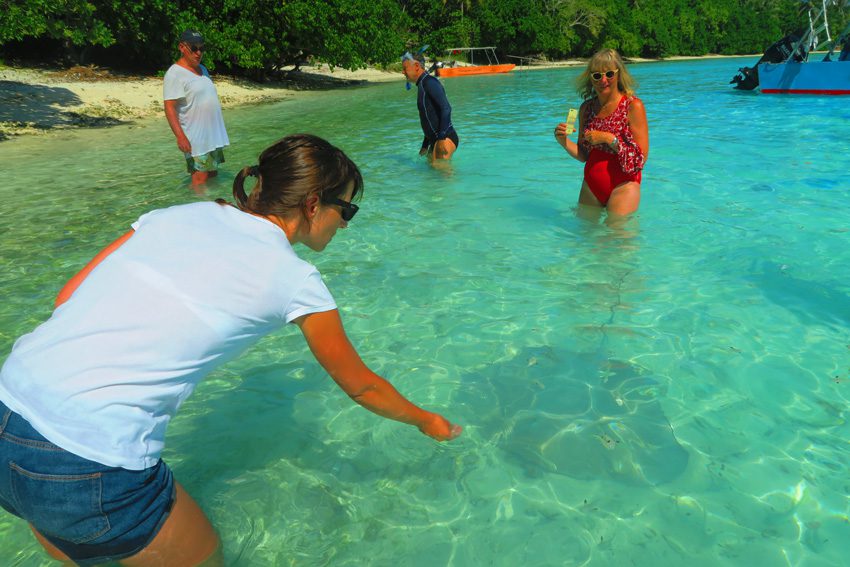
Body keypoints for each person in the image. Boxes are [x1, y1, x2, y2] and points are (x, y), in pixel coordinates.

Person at [0, 134, 461, 566]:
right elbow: (361, 386)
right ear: (314, 203)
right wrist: (427, 421)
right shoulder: (296, 280)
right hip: (91, 457)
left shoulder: (175, 215)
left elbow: (68, 296)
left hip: (8, 401)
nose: (346, 223)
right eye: (347, 210)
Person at [553, 49, 649, 216]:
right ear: (591, 78)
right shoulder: (586, 109)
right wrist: (564, 142)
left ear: (619, 74)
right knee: (586, 237)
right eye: (597, 75)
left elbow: (640, 159)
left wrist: (608, 139)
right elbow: (584, 155)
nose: (603, 80)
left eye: (609, 74)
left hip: (624, 184)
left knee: (616, 238)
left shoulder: (633, 106)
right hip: (592, 185)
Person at [163, 30, 230, 187]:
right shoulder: (174, 74)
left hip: (212, 136)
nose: (198, 53)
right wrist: (180, 137)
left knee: (213, 176)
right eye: (194, 48)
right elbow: (169, 108)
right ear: (182, 47)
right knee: (199, 180)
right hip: (196, 139)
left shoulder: (203, 70)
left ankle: (211, 205)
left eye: (202, 48)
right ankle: (195, 206)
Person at [401, 51, 459, 160]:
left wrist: (442, 138)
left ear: (417, 66)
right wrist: (425, 145)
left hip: (444, 137)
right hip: (435, 138)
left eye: (405, 69)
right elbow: (429, 119)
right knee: (433, 173)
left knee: (443, 173)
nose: (402, 72)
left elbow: (446, 108)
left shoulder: (429, 82)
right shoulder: (422, 85)